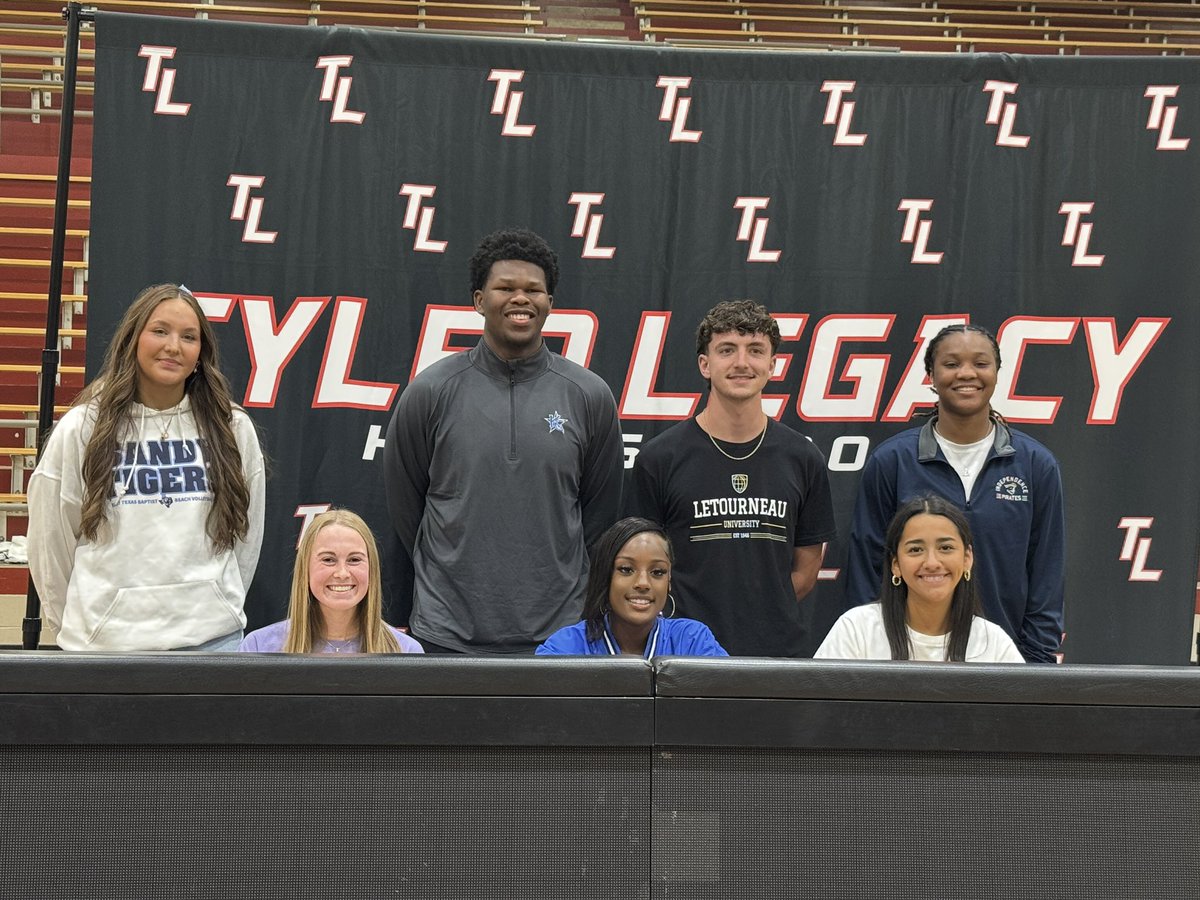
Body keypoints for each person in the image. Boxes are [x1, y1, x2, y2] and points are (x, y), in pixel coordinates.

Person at [384, 228, 624, 654]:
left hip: (558, 635)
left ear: (550, 302)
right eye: (505, 288)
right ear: (479, 300)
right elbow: (408, 512)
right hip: (446, 633)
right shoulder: (430, 391)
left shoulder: (589, 395)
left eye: (534, 289)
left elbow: (599, 519)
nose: (521, 299)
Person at [27, 283, 265, 651]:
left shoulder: (231, 427)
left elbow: (246, 536)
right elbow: (50, 542)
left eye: (189, 336)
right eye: (160, 331)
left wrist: (219, 602)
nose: (173, 346)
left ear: (201, 353)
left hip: (212, 643)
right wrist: (76, 626)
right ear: (133, 339)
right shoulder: (82, 428)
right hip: (104, 647)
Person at [845, 323, 1065, 663]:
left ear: (996, 372)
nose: (966, 374)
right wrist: (878, 661)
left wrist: (1033, 666)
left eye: (980, 363)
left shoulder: (1036, 464)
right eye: (951, 364)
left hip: (1002, 659)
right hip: (904, 661)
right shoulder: (892, 461)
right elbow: (866, 570)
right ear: (931, 375)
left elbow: (1046, 574)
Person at [627, 300, 837, 657]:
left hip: (776, 652)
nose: (742, 363)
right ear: (704, 365)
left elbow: (808, 563)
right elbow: (640, 564)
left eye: (755, 351)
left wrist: (766, 611)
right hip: (682, 653)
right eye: (727, 350)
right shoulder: (659, 459)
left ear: (772, 365)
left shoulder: (803, 457)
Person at [817, 496, 1024, 662]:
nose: (932, 562)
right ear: (895, 564)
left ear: (967, 558)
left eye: (946, 548)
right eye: (916, 550)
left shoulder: (994, 643)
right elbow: (820, 710)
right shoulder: (856, 629)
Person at [536, 517, 727, 657]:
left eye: (657, 572)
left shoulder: (693, 641)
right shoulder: (565, 647)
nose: (643, 583)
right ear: (606, 576)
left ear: (669, 581)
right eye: (626, 569)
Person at [238, 509, 423, 654]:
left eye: (354, 560)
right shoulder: (258, 647)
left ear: (371, 569)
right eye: (328, 560)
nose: (342, 573)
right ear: (305, 569)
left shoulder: (405, 651)